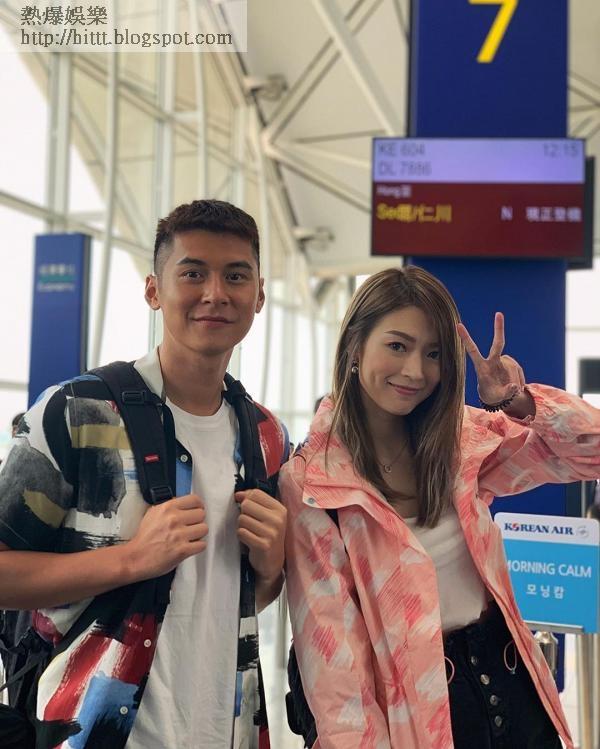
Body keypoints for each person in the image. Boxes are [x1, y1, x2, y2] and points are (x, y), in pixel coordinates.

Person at [0, 199, 289, 749]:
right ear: (154, 291)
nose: (215, 293)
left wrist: (272, 567)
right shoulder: (78, 412)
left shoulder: (266, 437)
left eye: (235, 276)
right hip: (93, 733)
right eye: (193, 273)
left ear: (259, 295)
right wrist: (131, 559)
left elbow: (232, 599)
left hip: (224, 728)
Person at [280, 266, 600, 749]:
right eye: (397, 346)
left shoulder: (459, 442)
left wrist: (518, 401)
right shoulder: (315, 483)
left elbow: (589, 452)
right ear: (354, 347)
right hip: (422, 719)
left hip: (515, 691)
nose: (415, 371)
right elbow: (338, 677)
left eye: (433, 354)